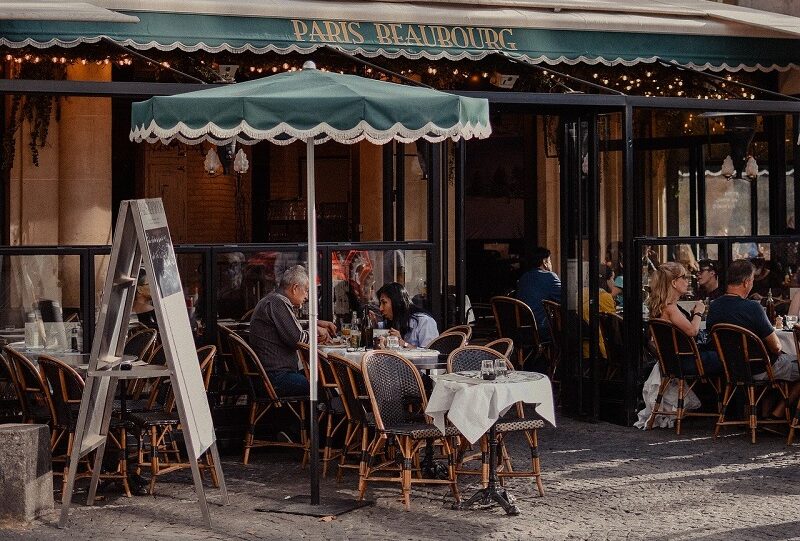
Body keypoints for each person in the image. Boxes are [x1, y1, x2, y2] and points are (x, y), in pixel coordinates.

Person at [706, 259, 800, 416]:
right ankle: (778, 413)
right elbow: (776, 347)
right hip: (760, 369)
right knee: (788, 365)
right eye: (752, 281)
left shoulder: (714, 306)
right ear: (746, 282)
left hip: (731, 368)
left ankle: (766, 414)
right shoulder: (753, 308)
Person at [249, 265, 337, 397]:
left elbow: (288, 325)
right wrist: (315, 331)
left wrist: (314, 323)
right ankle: (332, 416)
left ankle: (328, 415)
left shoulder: (273, 300)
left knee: (325, 378)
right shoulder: (278, 303)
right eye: (306, 291)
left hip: (270, 374)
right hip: (276, 378)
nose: (307, 296)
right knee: (326, 386)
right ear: (295, 288)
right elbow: (297, 339)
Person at [647, 262, 721, 375]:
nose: (687, 281)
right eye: (684, 277)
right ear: (674, 283)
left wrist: (691, 316)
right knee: (726, 357)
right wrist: (698, 313)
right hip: (685, 362)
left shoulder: (664, 306)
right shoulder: (670, 308)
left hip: (674, 361)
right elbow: (692, 331)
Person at [516, 247, 561, 339]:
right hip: (542, 328)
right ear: (545, 262)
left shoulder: (524, 277)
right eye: (550, 261)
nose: (551, 264)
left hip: (522, 328)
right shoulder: (550, 276)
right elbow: (565, 299)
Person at [376, 281, 438, 348]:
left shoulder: (424, 321)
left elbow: (431, 354)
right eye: (380, 304)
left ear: (397, 302)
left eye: (384, 303)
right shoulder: (390, 322)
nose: (381, 308)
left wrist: (403, 343)